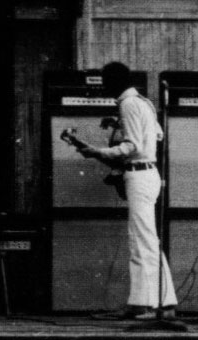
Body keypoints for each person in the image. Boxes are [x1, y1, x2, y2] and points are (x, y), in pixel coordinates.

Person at [77, 62, 178, 320]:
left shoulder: (128, 104)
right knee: (148, 240)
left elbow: (131, 146)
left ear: (113, 82)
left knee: (139, 240)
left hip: (138, 175)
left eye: (104, 83)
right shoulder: (143, 102)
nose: (102, 88)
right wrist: (120, 124)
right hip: (149, 174)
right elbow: (156, 133)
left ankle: (143, 305)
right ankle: (164, 303)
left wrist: (98, 152)